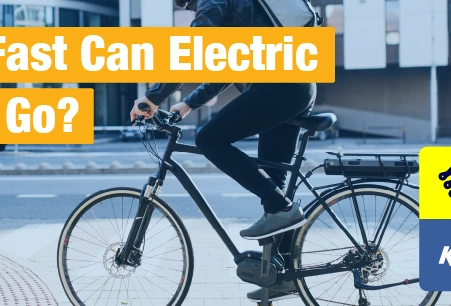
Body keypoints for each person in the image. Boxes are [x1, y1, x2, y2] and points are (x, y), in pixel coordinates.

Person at [129, 0, 316, 301]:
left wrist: (152, 97)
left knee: (209, 139)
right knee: (273, 182)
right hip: (295, 85)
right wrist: (189, 102)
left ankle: (281, 208)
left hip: (279, 86)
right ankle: (283, 277)